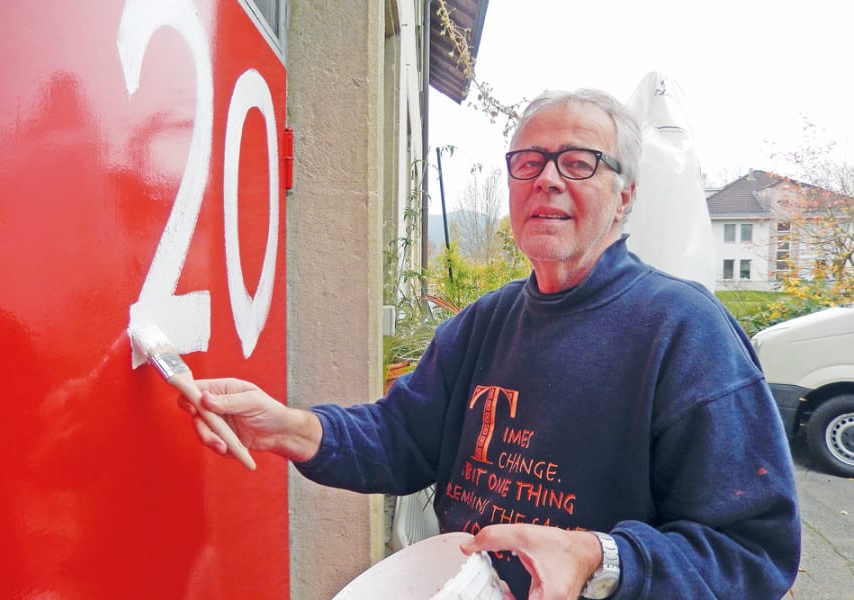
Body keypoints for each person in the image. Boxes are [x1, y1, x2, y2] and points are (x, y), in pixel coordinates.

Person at [184, 88, 801, 599]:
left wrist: (597, 557)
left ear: (625, 198)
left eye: (580, 162)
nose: (548, 180)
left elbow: (752, 553)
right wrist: (289, 428)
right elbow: (401, 439)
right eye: (528, 161)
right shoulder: (484, 322)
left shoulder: (685, 332)